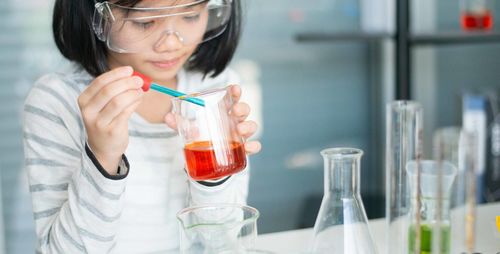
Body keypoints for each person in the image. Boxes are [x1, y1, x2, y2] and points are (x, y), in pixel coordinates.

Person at [22, 0, 261, 253]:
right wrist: (102, 157)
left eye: (190, 16)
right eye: (144, 22)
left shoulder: (218, 91)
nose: (171, 43)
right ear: (95, 16)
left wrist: (213, 167)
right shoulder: (57, 101)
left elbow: (222, 241)